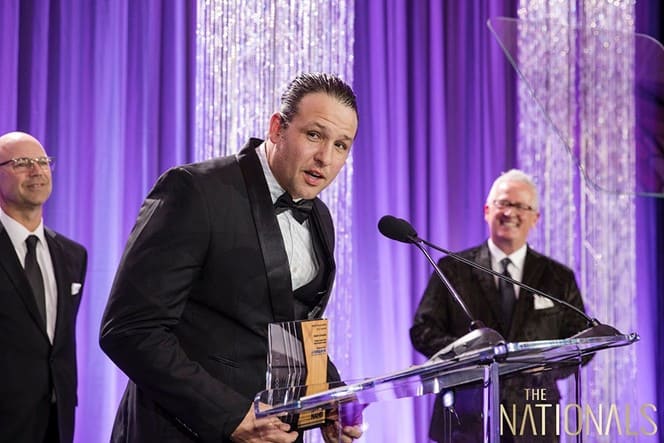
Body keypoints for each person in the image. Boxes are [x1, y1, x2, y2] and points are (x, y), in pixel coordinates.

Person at [99, 73, 363, 443]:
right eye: (314, 135)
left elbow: (291, 326)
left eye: (341, 145)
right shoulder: (194, 191)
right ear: (277, 128)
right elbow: (130, 330)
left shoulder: (320, 217)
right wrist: (231, 418)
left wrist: (328, 401)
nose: (326, 157)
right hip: (182, 432)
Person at [410, 169, 589, 443]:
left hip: (534, 418)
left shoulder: (557, 277)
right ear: (486, 210)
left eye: (520, 206)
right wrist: (469, 356)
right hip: (464, 417)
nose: (510, 212)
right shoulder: (453, 268)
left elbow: (582, 342)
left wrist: (544, 366)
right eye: (503, 203)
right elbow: (423, 331)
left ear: (535, 218)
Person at [0, 131, 88, 443]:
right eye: (22, 163)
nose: (37, 171)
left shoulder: (73, 255)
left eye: (42, 162)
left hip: (56, 419)